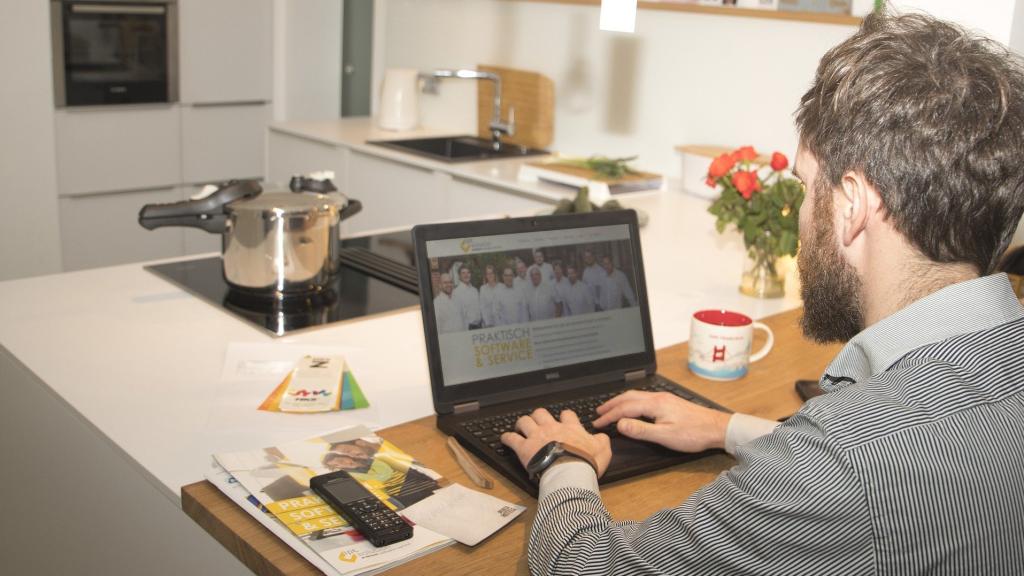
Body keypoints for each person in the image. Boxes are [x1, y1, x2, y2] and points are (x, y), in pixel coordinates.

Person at [501, 12, 1024, 575]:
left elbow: (587, 567)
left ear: (851, 206)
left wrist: (564, 461)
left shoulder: (837, 463)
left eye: (805, 185)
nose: (802, 216)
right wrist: (729, 429)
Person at [452, 265, 483, 330]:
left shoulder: (475, 290)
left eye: (468, 272)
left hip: (480, 326)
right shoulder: (456, 292)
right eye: (463, 273)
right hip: (468, 327)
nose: (466, 275)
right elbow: (457, 315)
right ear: (459, 276)